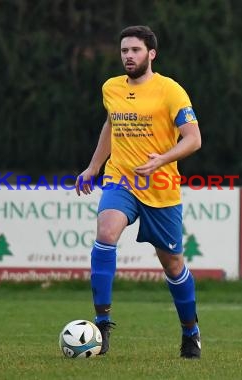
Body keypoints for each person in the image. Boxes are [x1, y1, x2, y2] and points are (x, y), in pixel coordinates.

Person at [75, 25, 203, 359]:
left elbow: (193, 138)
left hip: (160, 187)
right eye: (124, 51)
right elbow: (111, 125)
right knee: (105, 233)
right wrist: (93, 167)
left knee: (173, 264)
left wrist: (162, 159)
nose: (128, 56)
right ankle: (101, 324)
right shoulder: (111, 87)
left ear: (151, 54)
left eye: (135, 50)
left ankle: (191, 332)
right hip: (121, 179)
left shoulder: (171, 90)